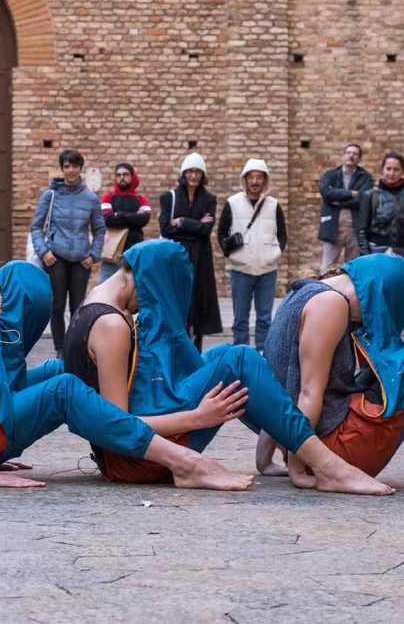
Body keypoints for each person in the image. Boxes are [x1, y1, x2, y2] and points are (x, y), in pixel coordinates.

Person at [0, 259, 257, 491]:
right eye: (15, 323)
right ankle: (183, 461)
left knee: (60, 370)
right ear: (11, 305)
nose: (1, 328)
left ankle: (116, 416)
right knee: (64, 389)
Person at [63, 239, 394, 495]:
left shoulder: (97, 300)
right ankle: (327, 467)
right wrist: (199, 417)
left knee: (223, 355)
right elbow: (117, 425)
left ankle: (283, 449)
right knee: (239, 359)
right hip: (136, 461)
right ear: (155, 282)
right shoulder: (111, 326)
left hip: (135, 453)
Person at [260, 254, 404, 484]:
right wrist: (298, 472)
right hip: (328, 451)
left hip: (300, 441)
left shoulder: (302, 292)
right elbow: (307, 393)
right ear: (378, 295)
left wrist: (264, 462)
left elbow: (278, 385)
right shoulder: (330, 305)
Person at [29, 149, 105, 358]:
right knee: (57, 306)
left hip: (81, 261)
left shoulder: (91, 198)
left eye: (75, 166)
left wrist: (94, 255)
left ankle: (75, 348)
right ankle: (60, 350)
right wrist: (44, 252)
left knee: (78, 308)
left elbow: (99, 229)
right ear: (62, 169)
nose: (71, 170)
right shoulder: (50, 195)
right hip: (56, 259)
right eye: (67, 166)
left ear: (81, 168)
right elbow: (36, 227)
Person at [217, 159, 287, 354]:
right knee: (240, 318)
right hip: (240, 270)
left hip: (267, 270)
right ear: (245, 179)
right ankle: (240, 353)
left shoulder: (273, 205)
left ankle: (264, 355)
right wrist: (232, 254)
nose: (255, 181)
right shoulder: (232, 203)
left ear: (265, 180)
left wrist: (275, 254)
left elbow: (282, 234)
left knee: (265, 318)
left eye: (259, 177)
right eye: (251, 177)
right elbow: (221, 233)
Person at [159, 152, 222, 351]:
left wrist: (183, 222)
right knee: (179, 303)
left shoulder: (209, 199)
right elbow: (165, 229)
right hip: (177, 255)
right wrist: (195, 226)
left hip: (201, 258)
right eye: (190, 171)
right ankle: (178, 348)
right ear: (184, 173)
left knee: (199, 302)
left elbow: (206, 230)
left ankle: (196, 349)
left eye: (197, 171)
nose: (193, 175)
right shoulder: (170, 197)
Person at [318, 143, 373, 273]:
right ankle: (324, 292)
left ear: (359, 158)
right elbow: (326, 193)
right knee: (326, 268)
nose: (351, 156)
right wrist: (350, 193)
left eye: (355, 154)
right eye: (348, 153)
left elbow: (363, 199)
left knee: (354, 269)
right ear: (343, 155)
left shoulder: (365, 177)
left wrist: (338, 200)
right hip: (332, 228)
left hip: (355, 230)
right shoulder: (331, 175)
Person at [99, 162, 151, 283]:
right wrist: (133, 217)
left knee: (133, 291)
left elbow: (143, 220)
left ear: (132, 176)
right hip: (111, 253)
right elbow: (108, 220)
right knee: (106, 289)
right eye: (118, 175)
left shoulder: (141, 199)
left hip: (134, 252)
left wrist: (119, 214)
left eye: (125, 174)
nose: (122, 177)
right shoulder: (108, 197)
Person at [356, 151, 404, 256]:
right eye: (388, 169)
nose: (392, 173)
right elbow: (361, 230)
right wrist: (366, 256)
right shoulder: (371, 195)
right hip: (376, 250)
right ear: (382, 170)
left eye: (396, 169)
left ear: (402, 171)